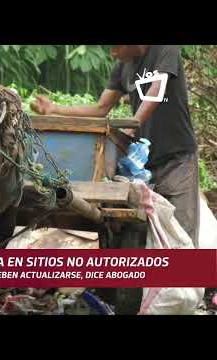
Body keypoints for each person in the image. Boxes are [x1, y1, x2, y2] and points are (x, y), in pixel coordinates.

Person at [31, 45, 200, 247]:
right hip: (143, 164)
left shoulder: (165, 50)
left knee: (182, 234)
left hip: (177, 158)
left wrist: (132, 125)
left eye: (115, 47)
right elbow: (101, 108)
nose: (112, 54)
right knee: (141, 231)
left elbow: (157, 89)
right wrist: (54, 109)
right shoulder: (123, 66)